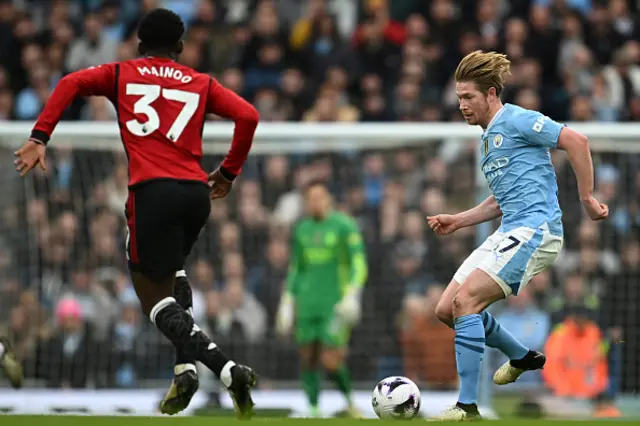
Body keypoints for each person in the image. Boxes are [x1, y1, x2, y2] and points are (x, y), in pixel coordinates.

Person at [14, 8, 260, 418]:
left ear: (138, 44)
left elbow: (70, 82)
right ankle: (184, 370)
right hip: (196, 193)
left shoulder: (121, 72)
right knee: (174, 273)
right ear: (180, 48)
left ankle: (227, 369)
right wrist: (229, 172)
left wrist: (40, 136)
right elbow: (249, 116)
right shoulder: (200, 82)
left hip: (152, 192)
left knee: (151, 293)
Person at [426, 50, 608, 421]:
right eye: (459, 98)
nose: (462, 105)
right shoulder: (489, 138)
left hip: (535, 229)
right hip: (509, 228)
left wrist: (587, 198)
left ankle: (466, 407)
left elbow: (577, 141)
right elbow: (500, 200)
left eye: (468, 97)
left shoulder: (518, 119)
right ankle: (522, 356)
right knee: (447, 310)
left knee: (467, 304)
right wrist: (458, 220)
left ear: (491, 94)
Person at [276, 181, 368, 418]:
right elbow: (297, 268)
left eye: (319, 197)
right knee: (308, 356)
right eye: (310, 198)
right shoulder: (302, 229)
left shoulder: (344, 226)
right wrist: (287, 301)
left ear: (329, 199)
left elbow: (359, 262)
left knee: (331, 358)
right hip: (307, 304)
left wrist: (353, 294)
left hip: (335, 304)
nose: (315, 202)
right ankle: (314, 409)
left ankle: (350, 402)